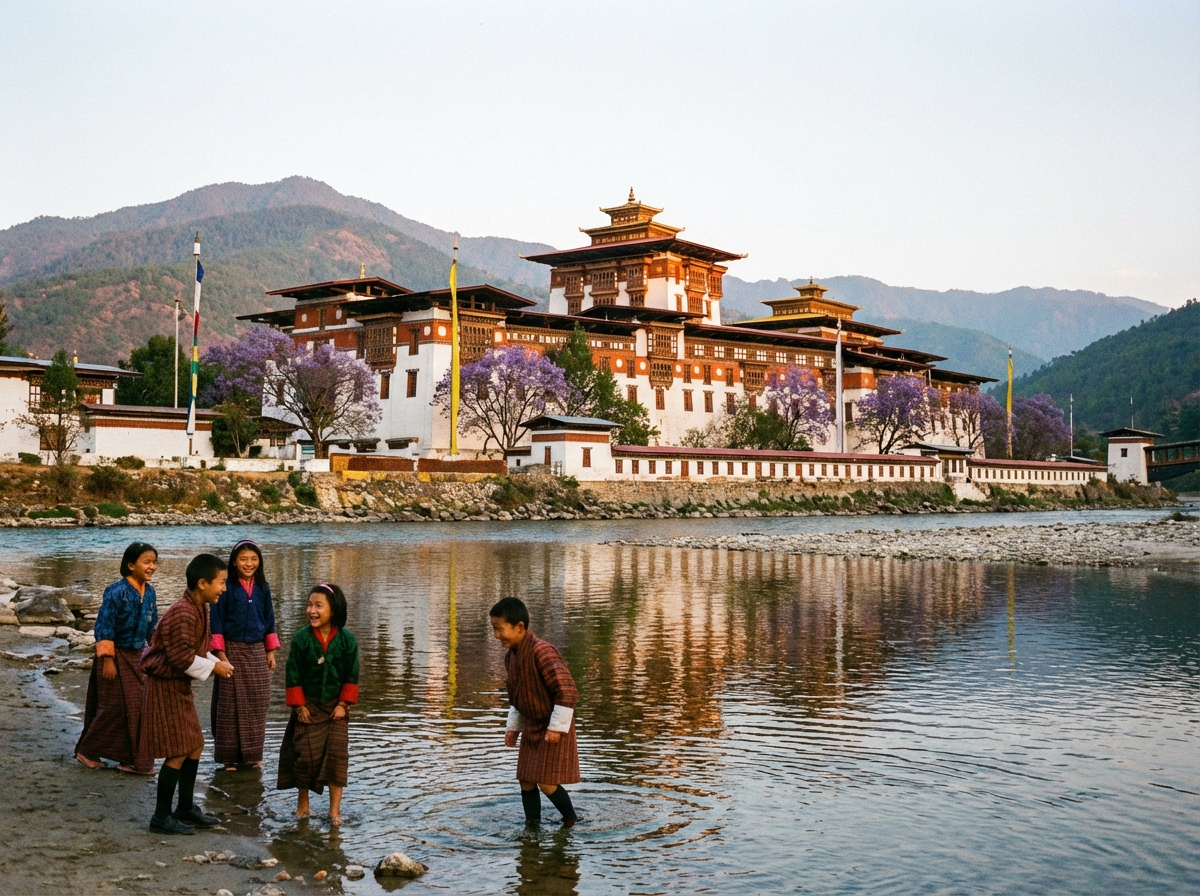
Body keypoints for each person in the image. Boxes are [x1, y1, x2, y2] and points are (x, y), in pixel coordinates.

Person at [139, 553, 234, 835]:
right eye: (221, 582)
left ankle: (184, 808)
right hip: (164, 686)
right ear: (202, 583)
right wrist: (215, 668)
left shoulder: (199, 607)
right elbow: (181, 658)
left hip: (177, 685)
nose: (224, 588)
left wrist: (216, 662)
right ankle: (160, 817)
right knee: (178, 749)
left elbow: (192, 650)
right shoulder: (184, 611)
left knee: (194, 744)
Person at [490, 596, 580, 827]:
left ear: (520, 626)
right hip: (531, 724)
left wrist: (556, 729)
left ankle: (571, 821)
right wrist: (513, 730)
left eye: (499, 629)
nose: (496, 635)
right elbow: (517, 697)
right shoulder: (511, 658)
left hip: (553, 725)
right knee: (526, 780)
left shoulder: (543, 652)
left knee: (547, 783)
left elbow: (567, 692)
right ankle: (532, 827)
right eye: (494, 629)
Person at [75, 541, 160, 774]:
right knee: (111, 707)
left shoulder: (150, 593)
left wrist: (160, 650)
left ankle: (129, 758)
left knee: (138, 707)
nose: (152, 566)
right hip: (113, 656)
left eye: (154, 562)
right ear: (130, 565)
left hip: (137, 657)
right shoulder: (116, 592)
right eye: (147, 562)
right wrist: (107, 659)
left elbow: (152, 628)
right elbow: (104, 626)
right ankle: (87, 751)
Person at [278, 584, 359, 825]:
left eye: (318, 606)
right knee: (304, 757)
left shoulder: (347, 639)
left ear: (333, 610)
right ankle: (303, 805)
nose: (311, 611)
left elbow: (352, 675)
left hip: (337, 709)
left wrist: (343, 704)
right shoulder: (301, 639)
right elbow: (292, 673)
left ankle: (334, 812)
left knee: (337, 757)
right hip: (308, 707)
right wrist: (299, 707)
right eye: (309, 605)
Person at [210, 539, 279, 771]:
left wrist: (270, 652)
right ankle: (229, 758)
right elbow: (216, 621)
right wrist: (220, 655)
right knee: (229, 705)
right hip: (231, 650)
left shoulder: (263, 587)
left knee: (259, 702)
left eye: (253, 559)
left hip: (257, 650)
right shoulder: (226, 586)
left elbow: (269, 620)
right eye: (243, 559)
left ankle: (252, 755)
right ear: (234, 562)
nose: (249, 564)